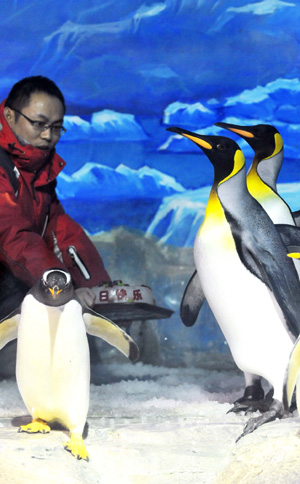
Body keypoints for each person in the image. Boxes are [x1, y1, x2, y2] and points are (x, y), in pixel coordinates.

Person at [0, 76, 111, 376]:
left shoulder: (36, 167)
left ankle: (90, 387)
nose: (49, 135)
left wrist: (94, 284)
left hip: (18, 272)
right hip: (6, 280)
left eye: (57, 126)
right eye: (39, 124)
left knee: (74, 316)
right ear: (10, 115)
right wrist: (59, 286)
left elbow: (59, 228)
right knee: (28, 306)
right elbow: (12, 234)